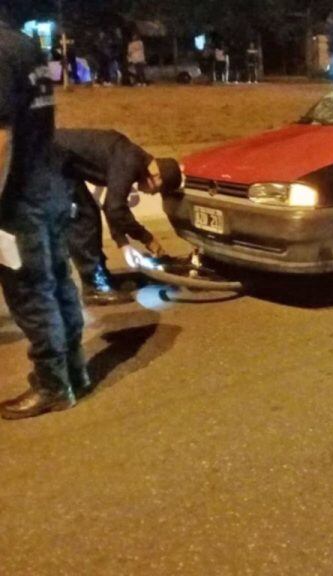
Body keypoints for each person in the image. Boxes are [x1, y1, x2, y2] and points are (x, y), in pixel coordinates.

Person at [0, 9, 88, 419]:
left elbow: (1, 136)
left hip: (17, 197)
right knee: (58, 282)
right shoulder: (24, 43)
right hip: (48, 182)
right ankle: (74, 372)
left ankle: (54, 386)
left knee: (31, 292)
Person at [54, 129, 182, 305]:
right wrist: (147, 238)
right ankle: (95, 288)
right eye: (158, 191)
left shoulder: (132, 158)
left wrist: (122, 242)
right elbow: (116, 209)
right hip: (47, 161)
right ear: (157, 177)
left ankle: (101, 279)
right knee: (83, 220)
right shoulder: (129, 161)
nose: (152, 195)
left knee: (89, 213)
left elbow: (111, 206)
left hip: (58, 162)